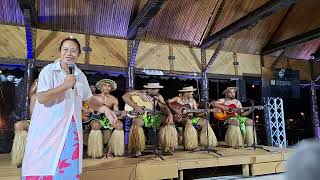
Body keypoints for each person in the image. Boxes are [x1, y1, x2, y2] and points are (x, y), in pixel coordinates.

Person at [21, 37, 117, 179]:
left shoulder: (80, 75)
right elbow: (41, 98)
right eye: (65, 50)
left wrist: (104, 109)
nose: (69, 53)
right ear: (60, 52)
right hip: (48, 128)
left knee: (68, 168)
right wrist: (64, 86)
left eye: (73, 51)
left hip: (70, 128)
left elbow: (89, 99)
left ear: (78, 55)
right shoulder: (48, 71)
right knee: (42, 166)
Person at [122, 80, 176, 156]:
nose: (156, 90)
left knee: (168, 121)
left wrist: (170, 114)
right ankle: (136, 148)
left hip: (155, 116)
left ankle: (167, 147)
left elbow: (164, 107)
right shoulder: (140, 93)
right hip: (143, 116)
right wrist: (136, 107)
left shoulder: (159, 96)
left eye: (157, 88)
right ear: (148, 89)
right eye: (154, 89)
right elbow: (124, 97)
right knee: (136, 122)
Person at [167, 86, 218, 151]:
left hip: (191, 118)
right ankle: (190, 145)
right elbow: (167, 102)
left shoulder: (193, 101)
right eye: (191, 92)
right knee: (189, 121)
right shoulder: (177, 99)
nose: (193, 93)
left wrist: (206, 112)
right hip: (180, 119)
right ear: (186, 92)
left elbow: (197, 113)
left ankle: (207, 143)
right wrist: (175, 110)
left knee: (205, 122)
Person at [86, 79, 125, 158]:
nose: (107, 87)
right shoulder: (94, 97)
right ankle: (96, 153)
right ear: (100, 87)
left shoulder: (114, 99)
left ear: (111, 88)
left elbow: (115, 113)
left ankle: (111, 151)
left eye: (109, 86)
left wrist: (122, 115)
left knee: (120, 125)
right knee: (96, 125)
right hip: (96, 118)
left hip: (108, 119)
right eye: (105, 85)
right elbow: (87, 109)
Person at [10, 78, 37, 167]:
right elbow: (31, 93)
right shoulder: (35, 96)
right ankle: (20, 158)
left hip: (51, 122)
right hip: (36, 121)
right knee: (18, 125)